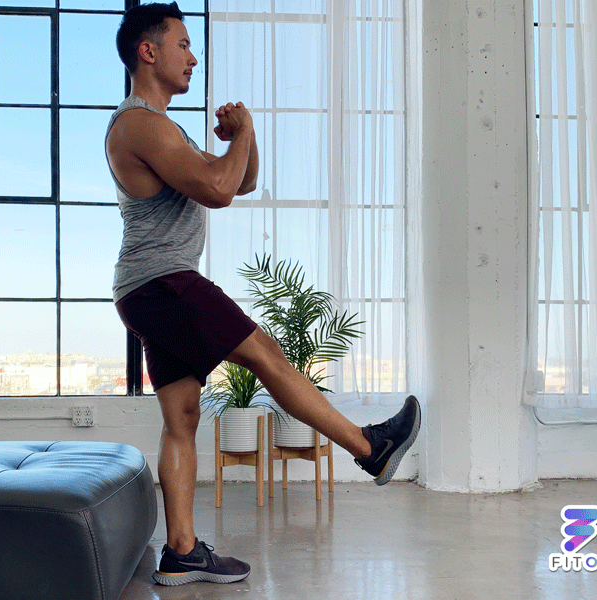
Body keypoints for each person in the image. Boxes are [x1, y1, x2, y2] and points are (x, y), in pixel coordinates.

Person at [105, 1, 421, 587]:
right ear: (148, 52)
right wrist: (241, 137)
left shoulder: (162, 129)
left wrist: (243, 138)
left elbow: (241, 178)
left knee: (181, 418)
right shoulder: (140, 125)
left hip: (146, 287)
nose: (192, 57)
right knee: (267, 355)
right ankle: (368, 447)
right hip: (165, 280)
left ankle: (180, 551)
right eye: (182, 44)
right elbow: (221, 190)